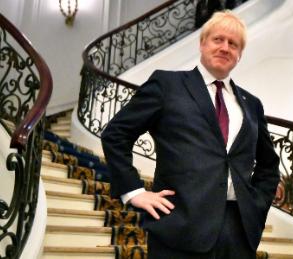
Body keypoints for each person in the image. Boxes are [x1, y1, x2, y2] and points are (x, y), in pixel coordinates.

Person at [101, 10, 280, 259]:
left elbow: (269, 164)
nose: (225, 48)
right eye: (218, 39)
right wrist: (134, 191)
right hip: (179, 229)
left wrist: (257, 205)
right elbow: (116, 134)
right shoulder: (167, 85)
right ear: (202, 43)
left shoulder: (252, 104)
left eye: (233, 44)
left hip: (238, 235)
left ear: (239, 55)